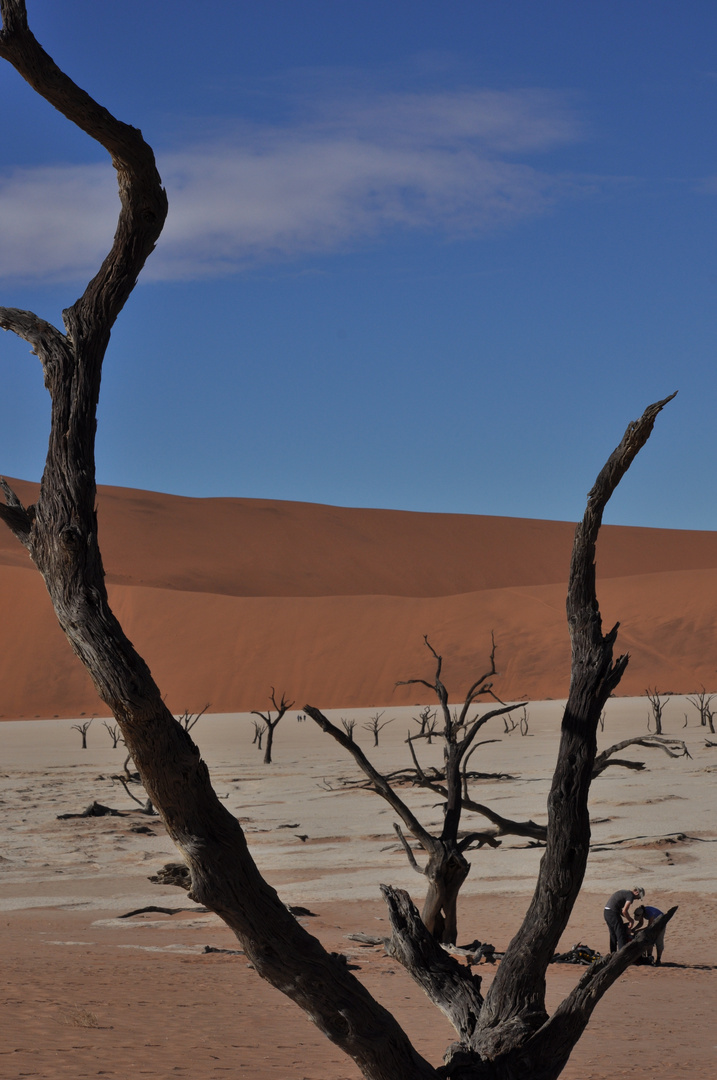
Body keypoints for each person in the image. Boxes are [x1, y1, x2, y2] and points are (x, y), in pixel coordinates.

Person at [603, 886, 645, 952]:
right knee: (620, 934)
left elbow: (620, 909)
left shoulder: (625, 892)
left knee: (613, 935)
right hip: (613, 913)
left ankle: (613, 954)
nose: (637, 899)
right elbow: (624, 911)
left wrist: (627, 917)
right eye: (639, 897)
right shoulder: (630, 895)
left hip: (607, 912)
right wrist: (631, 920)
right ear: (637, 892)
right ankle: (622, 955)